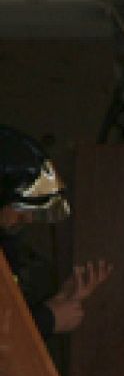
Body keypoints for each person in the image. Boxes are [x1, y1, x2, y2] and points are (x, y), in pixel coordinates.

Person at [0, 125, 111, 347]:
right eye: (21, 207)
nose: (28, 219)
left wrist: (55, 304)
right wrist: (48, 319)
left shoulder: (7, 245)